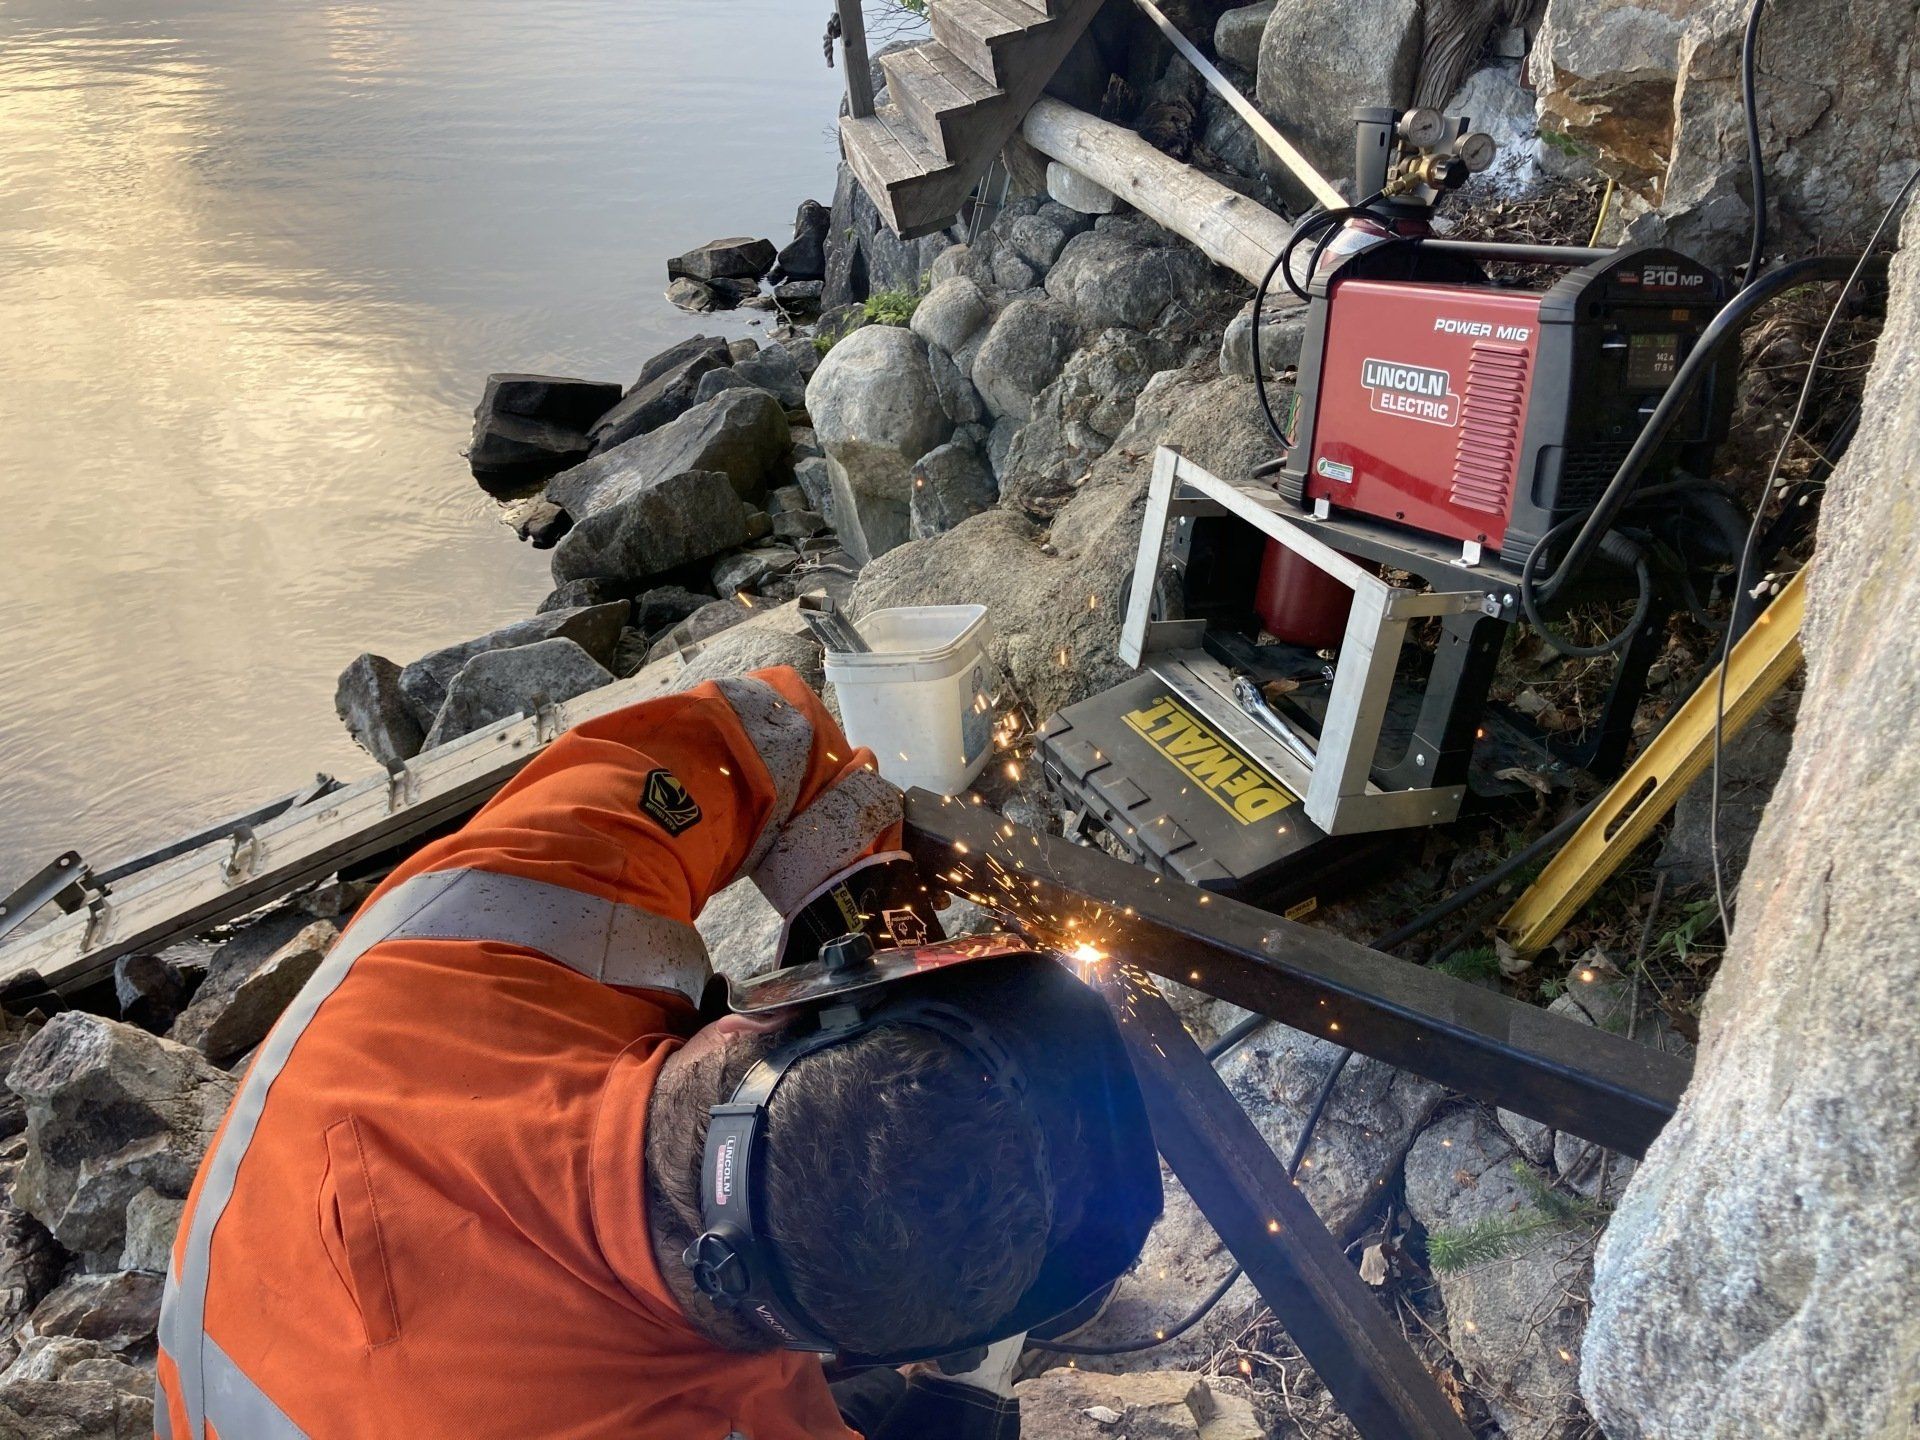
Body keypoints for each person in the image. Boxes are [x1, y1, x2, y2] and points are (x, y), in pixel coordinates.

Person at [154, 666, 1156, 1439]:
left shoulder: (480, 939)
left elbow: (765, 729)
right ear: (825, 1348)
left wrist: (858, 921)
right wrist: (957, 1402)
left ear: (755, 1017)